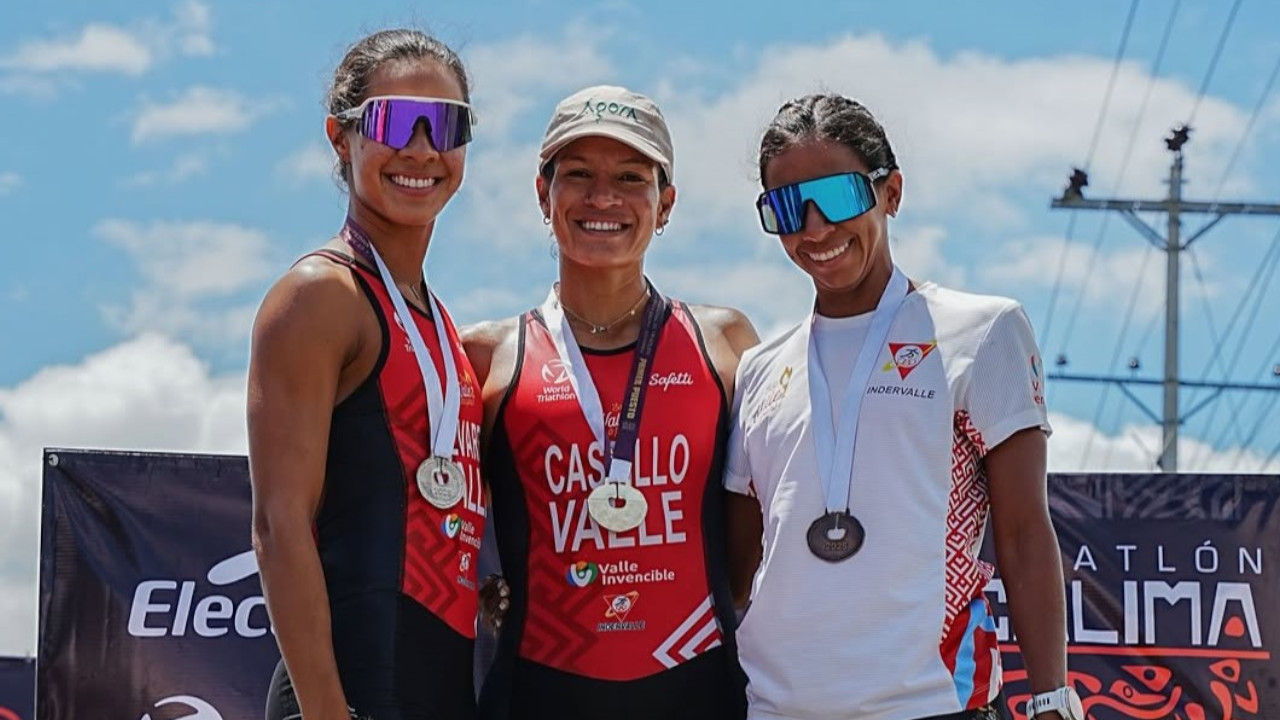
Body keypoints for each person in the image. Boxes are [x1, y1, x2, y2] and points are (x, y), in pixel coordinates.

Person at [724, 94, 1078, 720]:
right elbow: (737, 569)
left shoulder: (981, 331)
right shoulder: (759, 369)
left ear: (891, 193)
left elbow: (1024, 534)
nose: (814, 228)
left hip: (931, 701)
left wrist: (1053, 698)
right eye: (784, 206)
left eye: (837, 197)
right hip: (777, 708)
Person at [462, 85, 759, 720]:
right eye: (579, 176)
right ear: (543, 195)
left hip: (699, 682)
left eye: (630, 177)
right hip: (538, 689)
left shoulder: (725, 342)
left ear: (666, 203)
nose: (604, 198)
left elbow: (754, 544)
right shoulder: (488, 357)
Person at [248, 29, 485, 720]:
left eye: (444, 124)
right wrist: (328, 712)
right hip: (344, 696)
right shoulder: (320, 296)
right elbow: (277, 522)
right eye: (390, 120)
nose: (419, 148)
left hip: (434, 684)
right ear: (341, 137)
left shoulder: (437, 322)